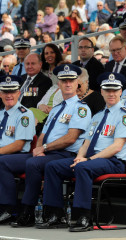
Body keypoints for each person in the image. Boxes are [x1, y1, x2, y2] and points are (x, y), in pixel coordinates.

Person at [37, 72, 126, 231]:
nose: (111, 94)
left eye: (115, 90)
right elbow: (86, 142)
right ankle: (54, 214)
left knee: (83, 167)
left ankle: (83, 216)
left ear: (120, 92)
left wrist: (89, 160)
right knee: (53, 167)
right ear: (102, 92)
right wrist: (79, 157)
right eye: (107, 90)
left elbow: (116, 147)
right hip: (92, 160)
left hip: (113, 162)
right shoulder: (97, 116)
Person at [10, 64, 92, 227]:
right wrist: (39, 149)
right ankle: (23, 210)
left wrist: (44, 149)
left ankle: (31, 212)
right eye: (64, 81)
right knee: (18, 161)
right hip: (48, 153)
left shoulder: (81, 109)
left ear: (77, 84)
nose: (67, 84)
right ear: (59, 84)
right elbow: (43, 134)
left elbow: (71, 138)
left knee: (32, 164)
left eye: (71, 80)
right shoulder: (56, 109)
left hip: (66, 154)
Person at [0, 75, 36, 224]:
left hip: (22, 156)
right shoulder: (0, 113)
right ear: (0, 94)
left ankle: (8, 208)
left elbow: (18, 145)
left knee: (1, 163)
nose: (9, 95)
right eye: (5, 92)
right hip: (4, 155)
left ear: (18, 93)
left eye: (13, 91)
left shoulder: (24, 114)